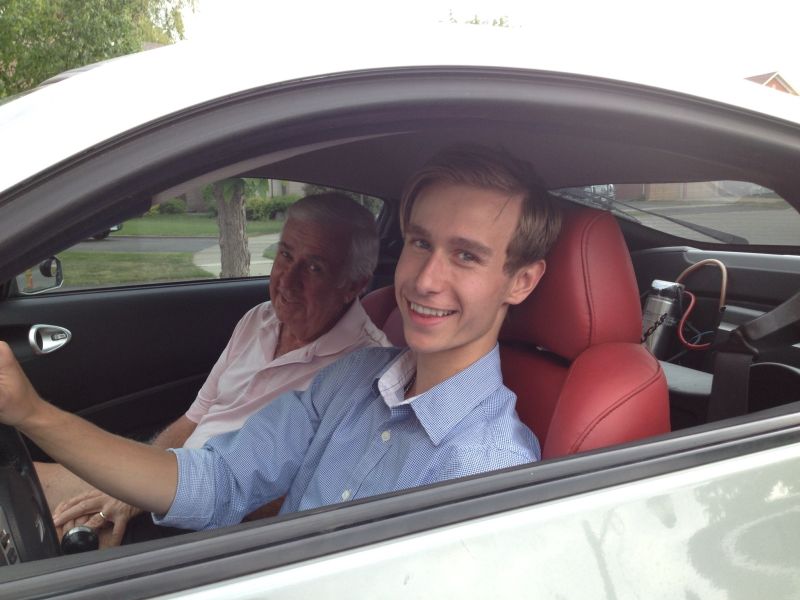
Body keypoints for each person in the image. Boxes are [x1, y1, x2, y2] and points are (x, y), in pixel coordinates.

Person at [0, 144, 562, 538]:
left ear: (522, 281)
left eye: (466, 255)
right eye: (420, 243)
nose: (425, 280)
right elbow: (220, 481)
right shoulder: (354, 378)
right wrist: (32, 413)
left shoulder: (489, 469)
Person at [39, 192, 391, 546]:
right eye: (285, 255)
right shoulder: (258, 318)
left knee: (52, 532)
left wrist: (150, 497)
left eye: (314, 268)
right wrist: (140, 482)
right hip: (174, 481)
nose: (287, 280)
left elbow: (305, 496)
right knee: (30, 486)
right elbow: (196, 417)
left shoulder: (367, 373)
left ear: (354, 285)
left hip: (219, 524)